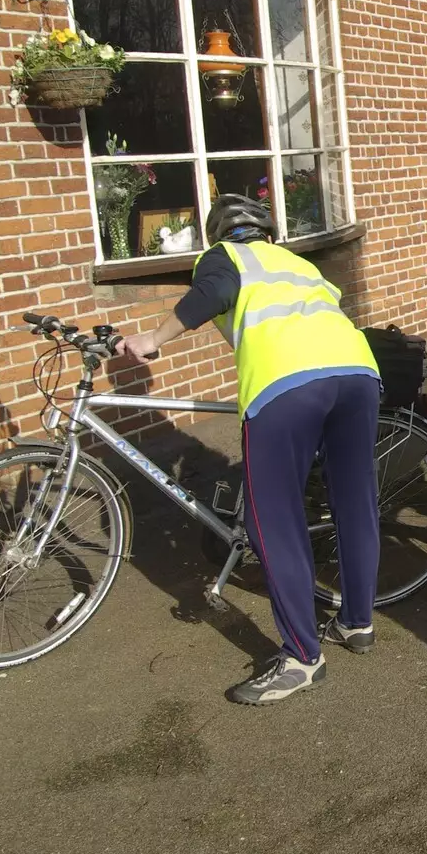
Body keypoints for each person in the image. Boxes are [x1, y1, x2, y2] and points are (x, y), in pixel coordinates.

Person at [116, 195, 382, 705]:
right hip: (357, 373)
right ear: (267, 233)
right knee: (355, 504)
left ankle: (302, 658)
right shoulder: (298, 264)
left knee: (273, 521)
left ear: (220, 233)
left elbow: (215, 290)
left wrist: (154, 337)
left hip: (288, 383)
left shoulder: (225, 257)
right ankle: (357, 623)